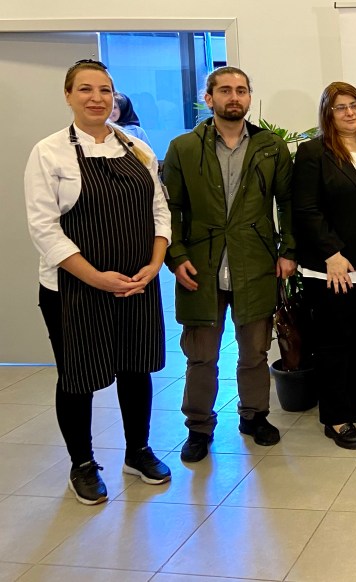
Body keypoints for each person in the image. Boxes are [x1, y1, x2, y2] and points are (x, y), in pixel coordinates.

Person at [24, 59, 171, 505]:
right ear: (68, 96)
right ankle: (83, 464)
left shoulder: (136, 148)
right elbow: (44, 229)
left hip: (137, 283)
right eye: (85, 89)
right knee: (78, 377)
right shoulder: (49, 152)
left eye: (104, 90)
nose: (96, 98)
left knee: (136, 367)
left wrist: (154, 264)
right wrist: (98, 279)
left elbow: (159, 212)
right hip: (73, 288)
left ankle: (138, 451)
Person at [163, 66, 297, 463]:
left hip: (255, 261)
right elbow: (169, 208)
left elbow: (287, 203)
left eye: (241, 90)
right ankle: (198, 427)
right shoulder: (184, 148)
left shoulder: (271, 147)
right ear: (209, 98)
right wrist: (176, 256)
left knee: (254, 351)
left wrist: (288, 250)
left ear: (249, 97)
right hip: (200, 266)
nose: (233, 97)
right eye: (224, 90)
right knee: (201, 354)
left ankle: (254, 416)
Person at [293, 82, 356, 450]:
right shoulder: (313, 152)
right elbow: (306, 209)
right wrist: (331, 253)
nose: (350, 112)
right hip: (335, 268)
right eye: (340, 107)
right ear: (328, 113)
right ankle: (336, 417)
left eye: (355, 105)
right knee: (334, 342)